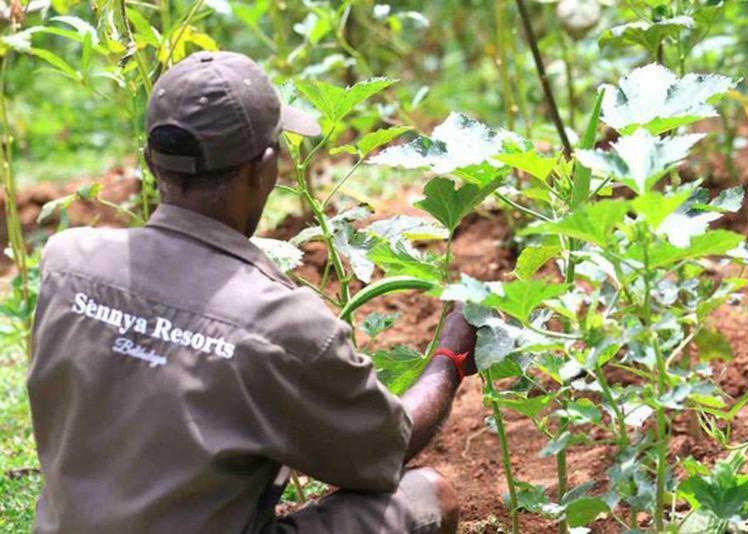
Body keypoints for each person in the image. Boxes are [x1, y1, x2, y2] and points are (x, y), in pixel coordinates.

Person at [27, 51, 478, 534]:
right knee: (429, 495)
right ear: (264, 169)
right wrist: (447, 358)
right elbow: (382, 447)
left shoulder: (66, 263)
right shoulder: (283, 324)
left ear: (151, 163)